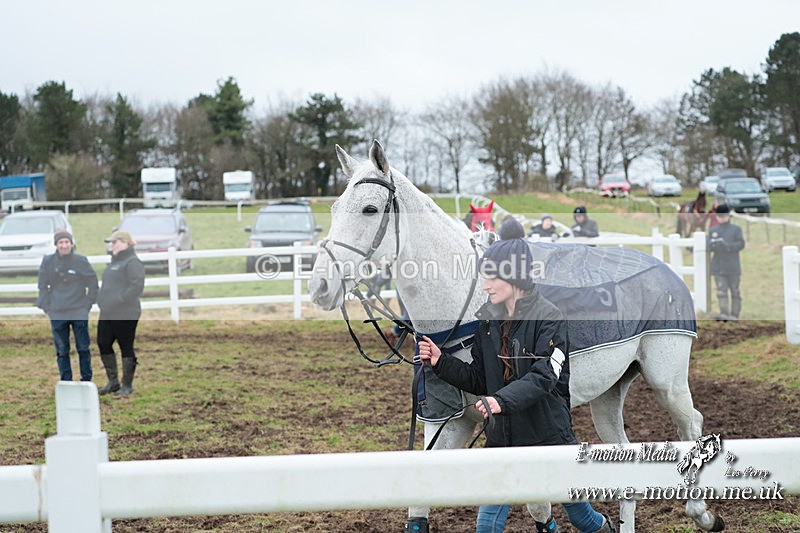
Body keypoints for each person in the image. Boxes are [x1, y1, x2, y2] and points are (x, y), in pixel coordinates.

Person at [417, 218, 615, 533]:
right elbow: (480, 379)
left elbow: (544, 377)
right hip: (502, 440)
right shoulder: (488, 323)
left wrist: (500, 401)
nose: (485, 285)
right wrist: (441, 362)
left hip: (548, 439)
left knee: (582, 519)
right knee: (486, 526)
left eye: (491, 278)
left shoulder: (549, 318)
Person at [36, 230, 99, 382]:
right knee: (62, 350)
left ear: (71, 244)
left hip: (78, 310)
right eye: (61, 243)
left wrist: (87, 305)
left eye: (67, 242)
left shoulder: (81, 261)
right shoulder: (48, 262)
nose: (64, 245)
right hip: (57, 311)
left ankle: (86, 379)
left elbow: (93, 284)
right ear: (56, 245)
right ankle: (66, 380)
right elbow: (42, 285)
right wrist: (47, 306)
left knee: (83, 348)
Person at [96, 230, 145, 396]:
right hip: (108, 310)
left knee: (125, 345)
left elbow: (136, 286)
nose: (112, 245)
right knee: (103, 342)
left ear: (125, 243)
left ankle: (127, 384)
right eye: (111, 242)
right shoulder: (113, 262)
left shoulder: (132, 262)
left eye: (115, 242)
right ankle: (113, 381)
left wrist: (120, 299)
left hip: (125, 312)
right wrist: (101, 299)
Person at [708, 204, 745, 321]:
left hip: (733, 266)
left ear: (728, 216)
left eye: (724, 216)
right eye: (719, 216)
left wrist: (728, 246)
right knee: (721, 291)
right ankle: (724, 313)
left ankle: (735, 315)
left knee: (735, 291)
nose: (722, 218)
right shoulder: (713, 230)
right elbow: (708, 246)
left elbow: (741, 244)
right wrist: (713, 245)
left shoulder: (736, 229)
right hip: (718, 266)